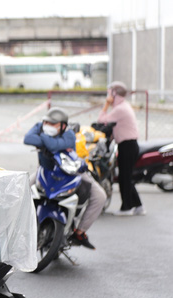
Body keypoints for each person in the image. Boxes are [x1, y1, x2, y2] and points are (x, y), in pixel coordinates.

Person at [24, 107, 106, 249]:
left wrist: (41, 137)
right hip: (46, 171)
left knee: (100, 196)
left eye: (52, 124)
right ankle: (20, 227)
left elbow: (53, 144)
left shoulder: (69, 135)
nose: (47, 126)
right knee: (22, 190)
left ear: (63, 126)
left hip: (72, 172)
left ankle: (79, 232)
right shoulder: (42, 128)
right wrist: (43, 134)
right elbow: (27, 138)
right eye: (45, 123)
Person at [98, 82, 144, 216]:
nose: (108, 94)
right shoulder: (123, 106)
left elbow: (101, 120)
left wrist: (106, 104)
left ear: (114, 94)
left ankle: (127, 208)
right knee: (126, 177)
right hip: (129, 145)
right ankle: (138, 206)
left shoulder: (120, 109)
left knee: (125, 178)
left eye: (109, 92)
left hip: (127, 145)